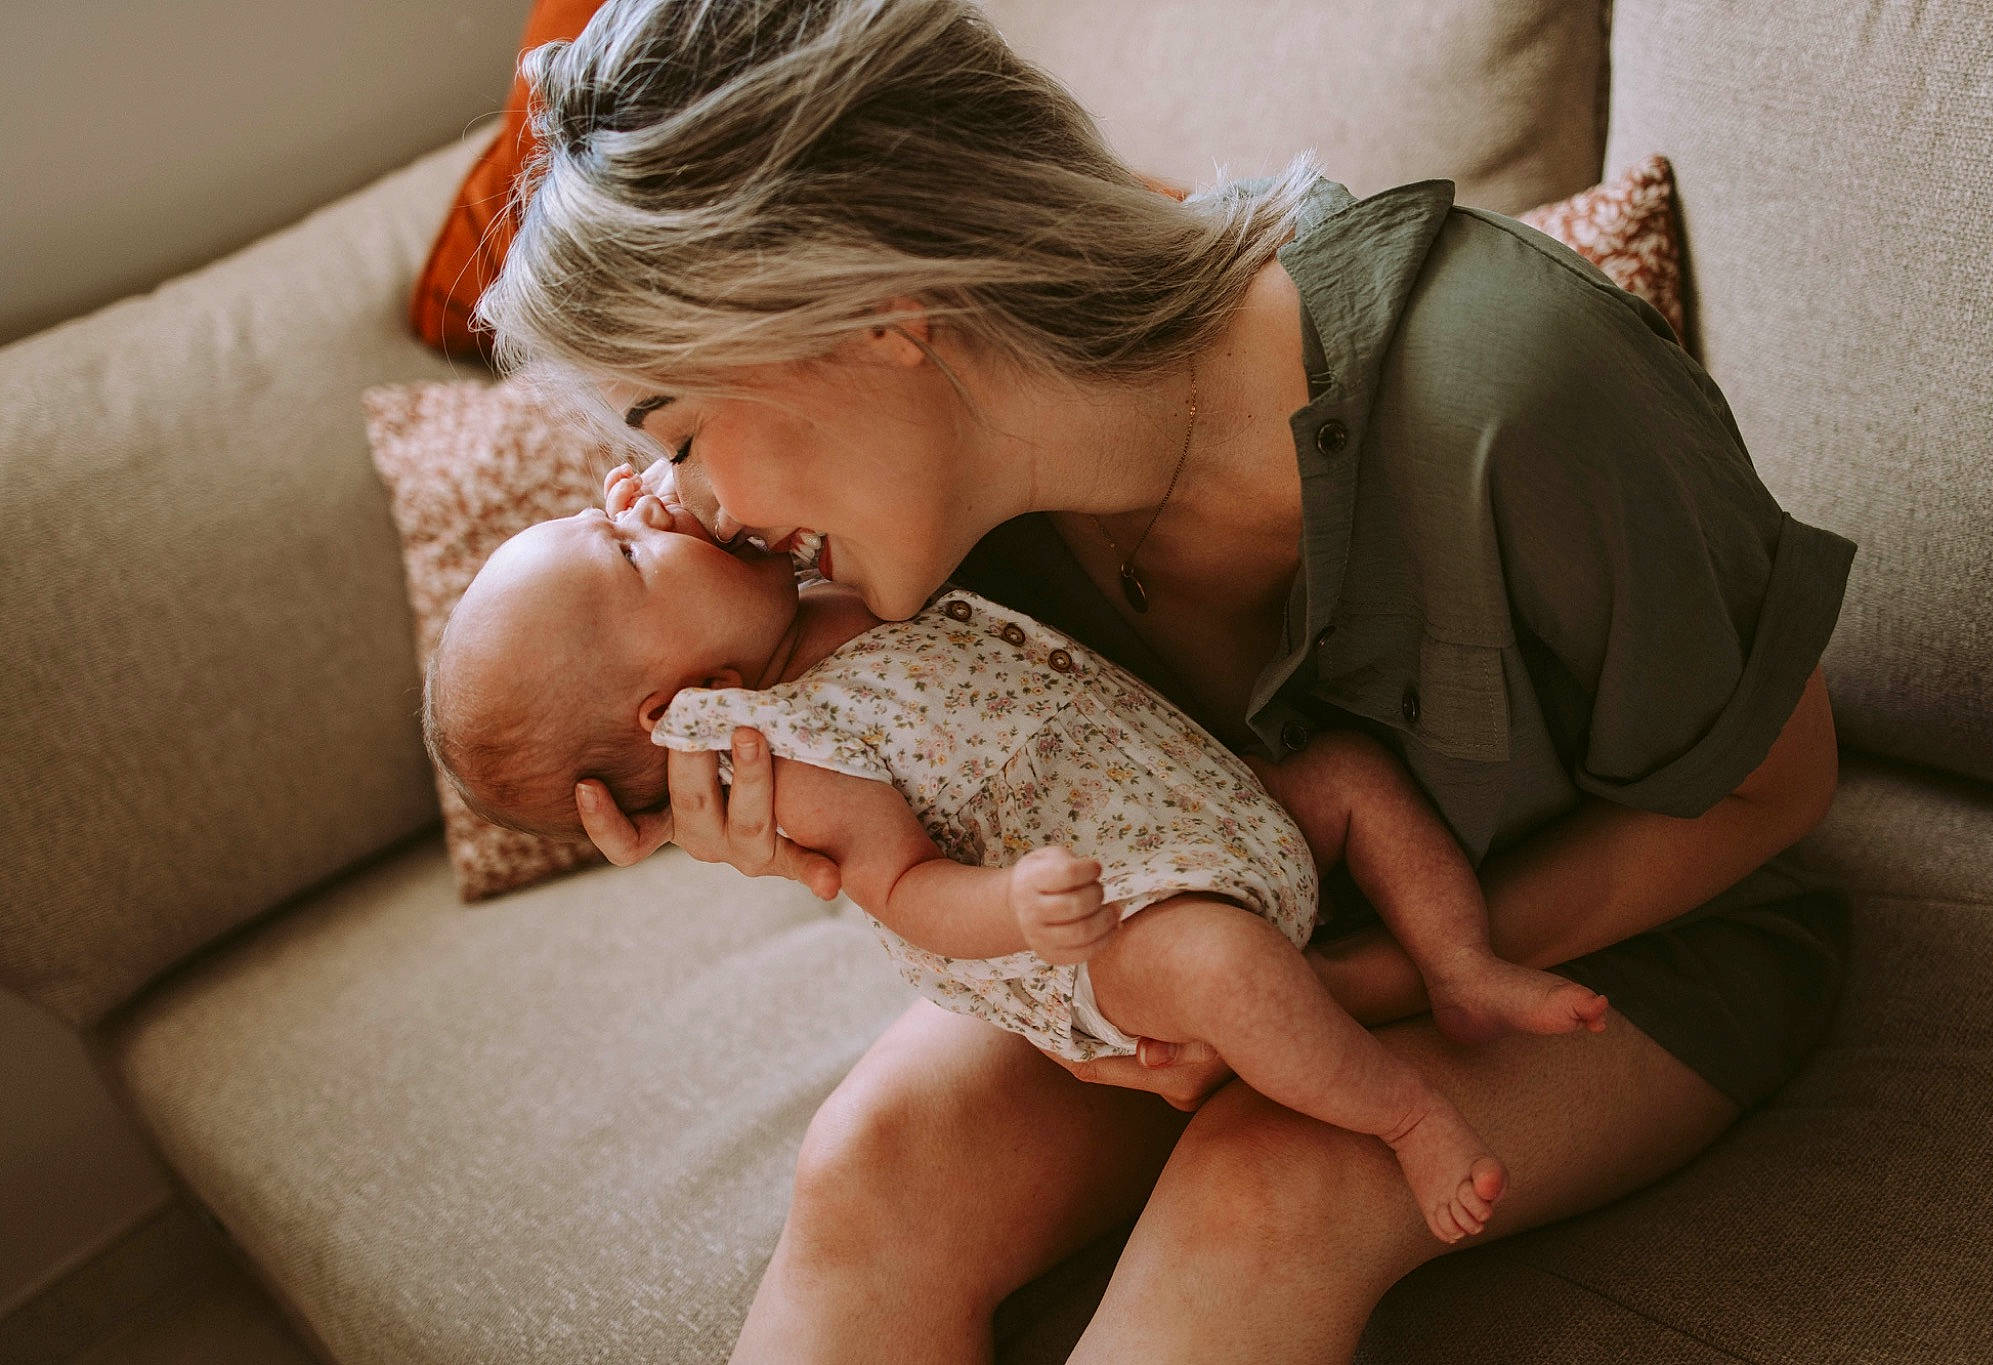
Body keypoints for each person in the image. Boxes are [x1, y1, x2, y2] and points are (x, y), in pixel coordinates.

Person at [474, 0, 1861, 1357]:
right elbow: (972, 822)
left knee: (1264, 1187)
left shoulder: (1509, 391)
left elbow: (1771, 790)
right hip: (1220, 912)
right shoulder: (927, 528)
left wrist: (1325, 995)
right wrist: (767, 805)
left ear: (879, 313)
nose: (691, 503)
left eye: (686, 428)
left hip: (1635, 937)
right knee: (878, 1162)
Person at [423, 462, 1615, 1245]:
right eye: (625, 555)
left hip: (1180, 811)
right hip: (1093, 930)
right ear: (681, 708)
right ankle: (1406, 1118)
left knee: (1351, 780)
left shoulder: (812, 578)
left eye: (608, 506)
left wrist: (684, 508)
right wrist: (1015, 904)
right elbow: (898, 890)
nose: (638, 511)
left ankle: (1460, 966)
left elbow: (773, 490)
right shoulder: (793, 755)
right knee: (1222, 971)